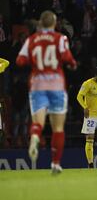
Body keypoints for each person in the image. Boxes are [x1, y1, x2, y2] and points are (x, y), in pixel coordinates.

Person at [16, 10, 77, 174]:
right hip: (56, 84)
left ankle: (35, 135)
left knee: (38, 123)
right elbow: (68, 58)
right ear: (54, 23)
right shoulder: (60, 38)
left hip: (37, 84)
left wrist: (35, 61)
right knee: (58, 127)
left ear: (41, 23)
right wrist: (72, 64)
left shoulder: (32, 39)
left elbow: (20, 61)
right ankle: (55, 164)